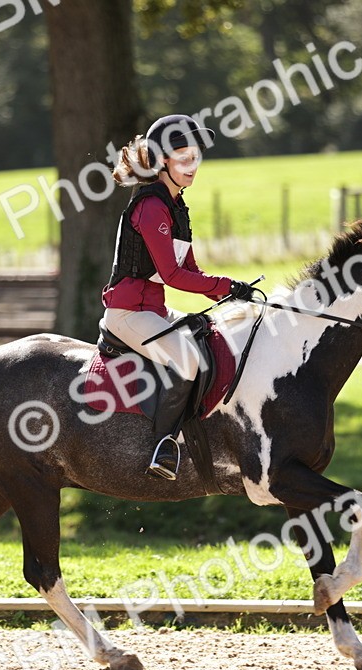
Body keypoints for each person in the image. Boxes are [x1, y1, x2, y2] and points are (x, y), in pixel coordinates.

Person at [102, 114, 257, 480]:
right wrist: (227, 285)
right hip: (127, 314)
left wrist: (231, 291)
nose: (192, 166)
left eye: (195, 157)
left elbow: (194, 272)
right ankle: (163, 447)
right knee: (188, 361)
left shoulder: (176, 207)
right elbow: (174, 276)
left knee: (210, 336)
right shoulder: (150, 207)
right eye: (183, 157)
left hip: (152, 310)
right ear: (161, 162)